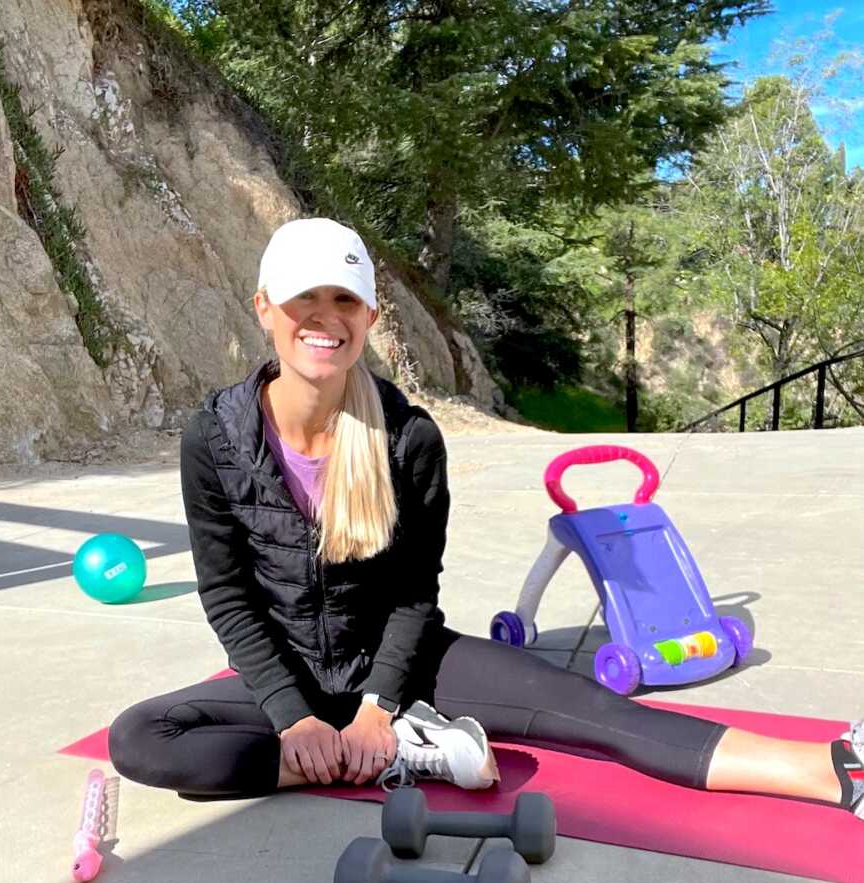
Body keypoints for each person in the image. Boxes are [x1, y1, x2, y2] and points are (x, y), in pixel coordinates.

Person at [108, 218, 864, 817]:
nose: (325, 319)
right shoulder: (214, 437)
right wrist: (293, 719)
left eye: (344, 301)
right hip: (294, 673)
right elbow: (230, 597)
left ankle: (833, 770)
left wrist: (378, 706)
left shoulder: (408, 439)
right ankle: (401, 757)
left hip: (403, 665)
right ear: (264, 308)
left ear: (370, 314)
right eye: (304, 298)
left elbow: (412, 595)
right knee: (140, 738)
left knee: (594, 710)